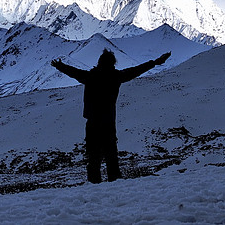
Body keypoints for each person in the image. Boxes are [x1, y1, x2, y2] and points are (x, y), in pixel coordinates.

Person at [51, 49, 170, 183]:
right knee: (111, 154)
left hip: (93, 121)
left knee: (93, 156)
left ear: (99, 62)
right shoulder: (116, 76)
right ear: (112, 63)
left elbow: (73, 72)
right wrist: (154, 63)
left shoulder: (90, 76)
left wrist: (60, 66)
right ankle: (115, 183)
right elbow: (135, 71)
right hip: (108, 121)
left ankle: (94, 184)